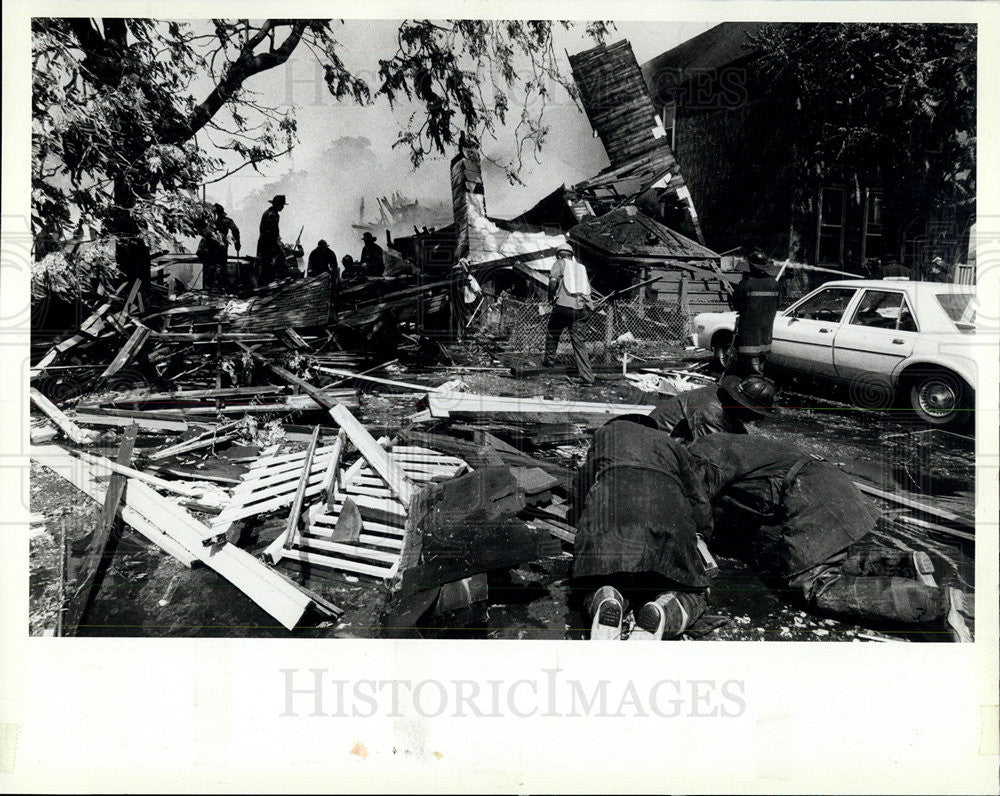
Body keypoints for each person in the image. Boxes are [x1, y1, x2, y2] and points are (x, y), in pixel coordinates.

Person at [687, 433, 971, 641]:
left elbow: (694, 506)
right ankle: (899, 565)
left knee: (812, 585)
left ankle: (934, 605)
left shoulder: (701, 456)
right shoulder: (719, 442)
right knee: (799, 558)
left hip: (808, 494)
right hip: (825, 484)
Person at [571, 415, 713, 640]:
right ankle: (664, 613)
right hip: (669, 515)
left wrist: (582, 521)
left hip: (613, 510)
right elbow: (699, 498)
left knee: (594, 578)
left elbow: (582, 482)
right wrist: (701, 536)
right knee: (694, 590)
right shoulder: (672, 445)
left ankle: (607, 598)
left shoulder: (606, 434)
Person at [649, 374, 777, 443]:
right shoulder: (712, 414)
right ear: (744, 408)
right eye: (755, 414)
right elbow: (710, 454)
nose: (756, 419)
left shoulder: (722, 397)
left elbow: (740, 437)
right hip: (655, 444)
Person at [542, 245, 595, 386]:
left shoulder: (559, 263)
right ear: (571, 255)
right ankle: (587, 377)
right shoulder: (581, 268)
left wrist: (550, 297)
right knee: (579, 343)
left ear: (559, 255)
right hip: (582, 308)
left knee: (553, 333)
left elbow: (553, 281)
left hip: (564, 307)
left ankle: (548, 363)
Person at [727, 249, 780, 377]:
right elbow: (777, 305)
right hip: (766, 331)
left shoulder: (746, 283)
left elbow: (736, 305)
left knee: (749, 361)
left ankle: (750, 385)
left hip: (749, 331)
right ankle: (758, 383)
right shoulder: (775, 284)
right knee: (761, 357)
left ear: (751, 266)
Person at [196, 203, 241, 291]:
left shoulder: (210, 223)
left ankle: (210, 287)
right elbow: (235, 230)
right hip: (221, 247)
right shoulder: (227, 221)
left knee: (210, 267)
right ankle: (220, 287)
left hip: (212, 247)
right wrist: (237, 243)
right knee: (221, 266)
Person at [255, 194, 287, 288]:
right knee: (266, 265)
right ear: (277, 205)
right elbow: (270, 233)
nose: (283, 207)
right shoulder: (272, 215)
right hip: (267, 244)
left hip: (266, 243)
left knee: (267, 265)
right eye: (281, 205)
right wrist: (277, 247)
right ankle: (264, 287)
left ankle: (265, 285)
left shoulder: (272, 213)